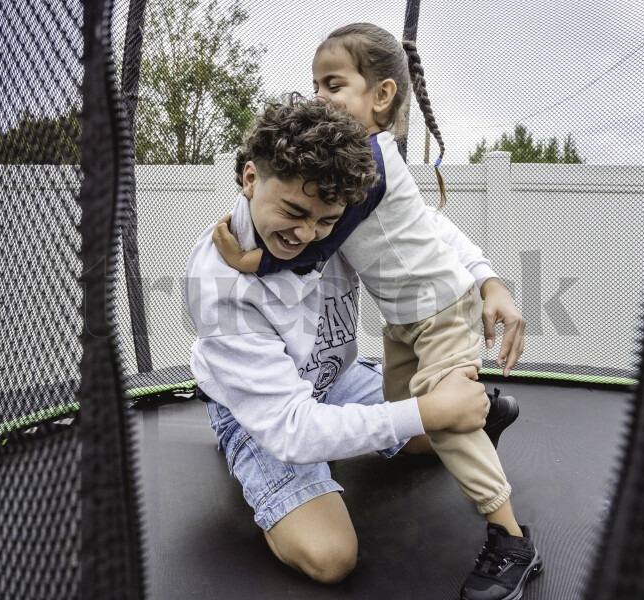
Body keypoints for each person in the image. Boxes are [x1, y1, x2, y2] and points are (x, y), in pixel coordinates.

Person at [211, 23, 541, 600]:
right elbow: (294, 427)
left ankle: (511, 537)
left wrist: (491, 282)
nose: (311, 231)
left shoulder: (356, 180)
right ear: (251, 176)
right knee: (339, 544)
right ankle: (476, 409)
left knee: (436, 421)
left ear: (382, 94)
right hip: (294, 391)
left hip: (430, 315)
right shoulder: (230, 271)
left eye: (333, 85)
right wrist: (250, 263)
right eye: (295, 210)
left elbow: (428, 226)